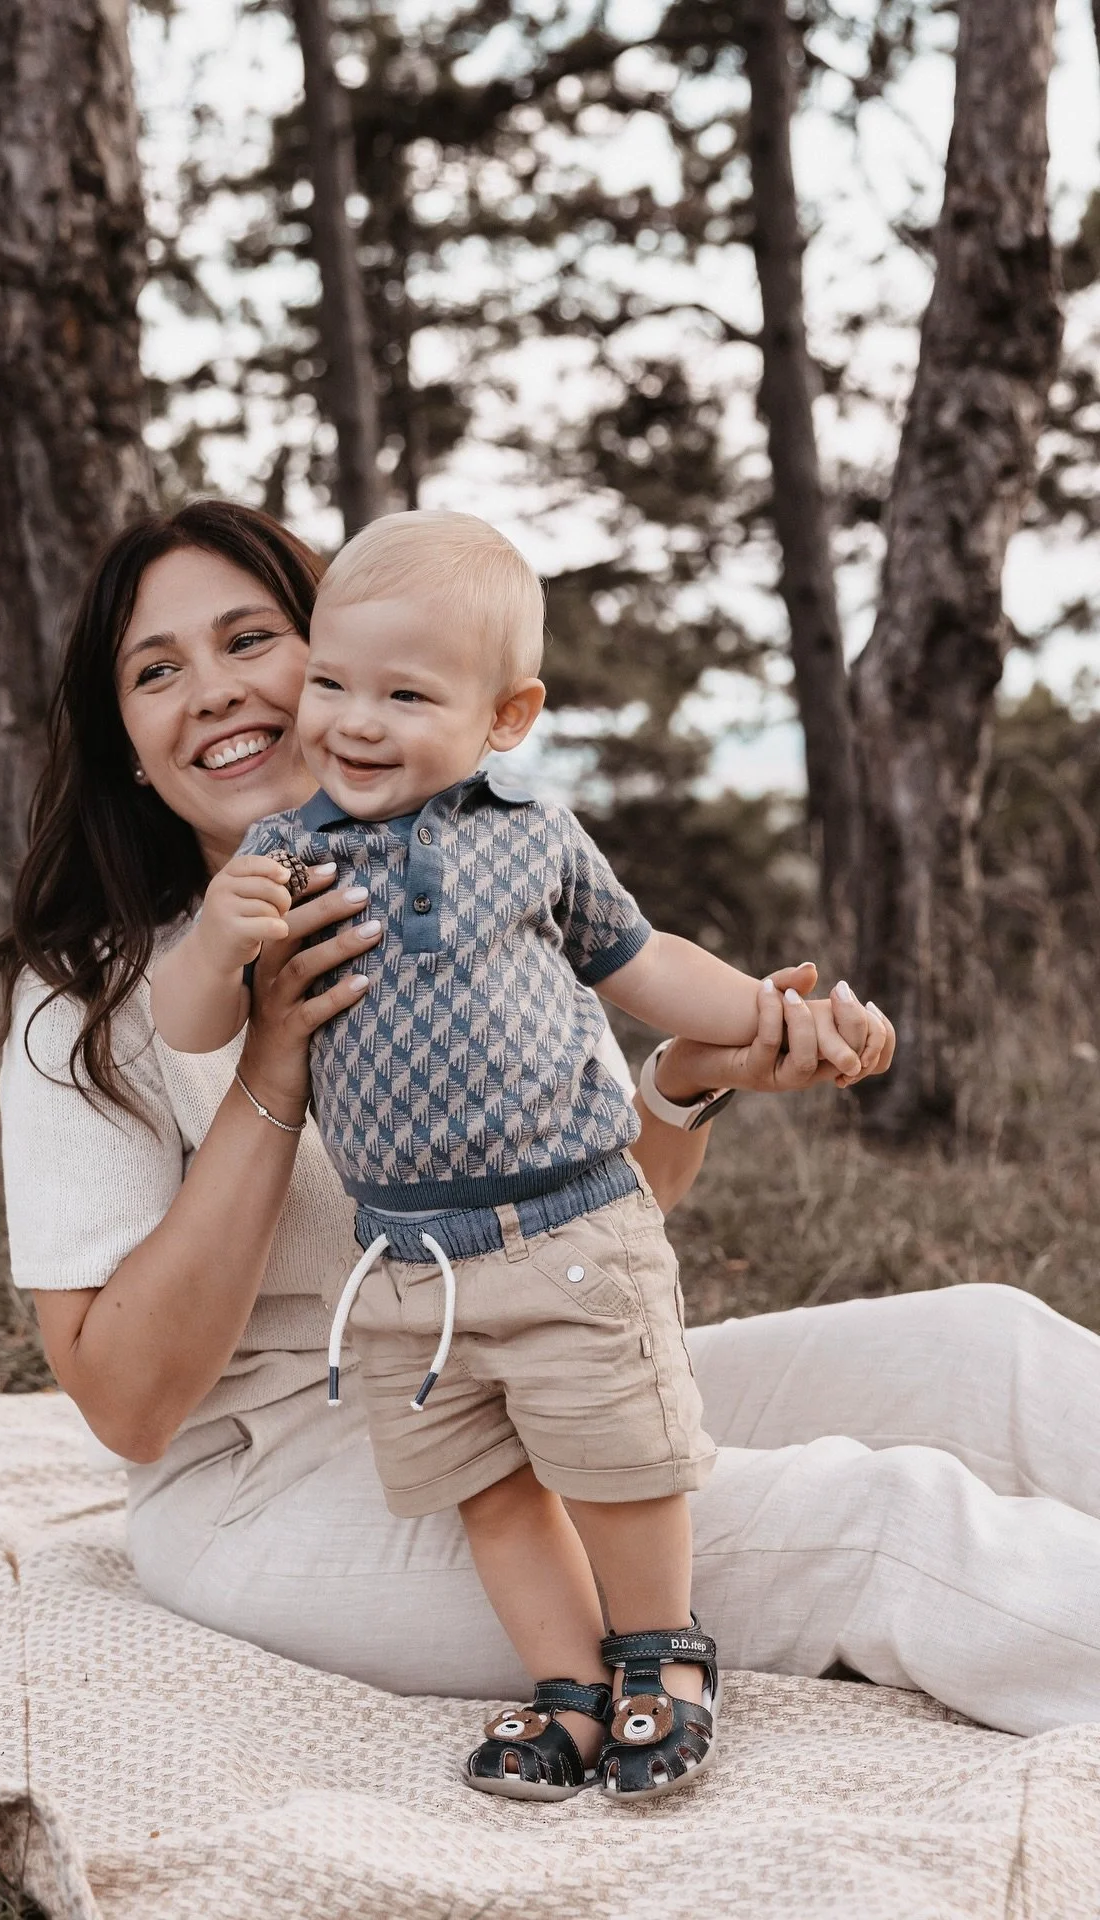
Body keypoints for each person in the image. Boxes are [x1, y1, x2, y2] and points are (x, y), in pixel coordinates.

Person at [0, 498, 1100, 1759]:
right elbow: (128, 1408)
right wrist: (274, 1053)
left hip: (533, 1348)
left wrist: (686, 1077)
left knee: (981, 1347)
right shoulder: (93, 997)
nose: (214, 693)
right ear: (129, 742)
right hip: (283, 1478)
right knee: (874, 1520)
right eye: (156, 670)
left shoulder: (477, 869)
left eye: (251, 640)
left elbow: (577, 1226)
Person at [147, 510, 873, 1801]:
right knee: (486, 1490)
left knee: (619, 1458)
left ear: (506, 715)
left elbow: (647, 966)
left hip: (564, 1229)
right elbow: (194, 1026)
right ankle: (567, 1692)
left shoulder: (532, 837)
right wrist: (215, 941)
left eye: (404, 694)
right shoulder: (285, 855)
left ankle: (663, 1657)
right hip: (407, 1270)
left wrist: (777, 1022)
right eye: (331, 684)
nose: (354, 721)